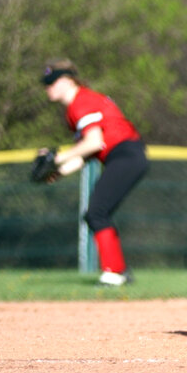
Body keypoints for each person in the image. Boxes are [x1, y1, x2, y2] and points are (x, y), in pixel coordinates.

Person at [38, 58, 150, 287]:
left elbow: (94, 142)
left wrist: (56, 158)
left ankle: (114, 273)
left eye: (52, 81)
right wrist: (59, 171)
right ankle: (118, 271)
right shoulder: (74, 110)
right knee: (98, 213)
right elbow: (86, 153)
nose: (48, 87)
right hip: (126, 156)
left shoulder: (82, 101)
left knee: (97, 212)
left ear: (68, 80)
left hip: (126, 154)